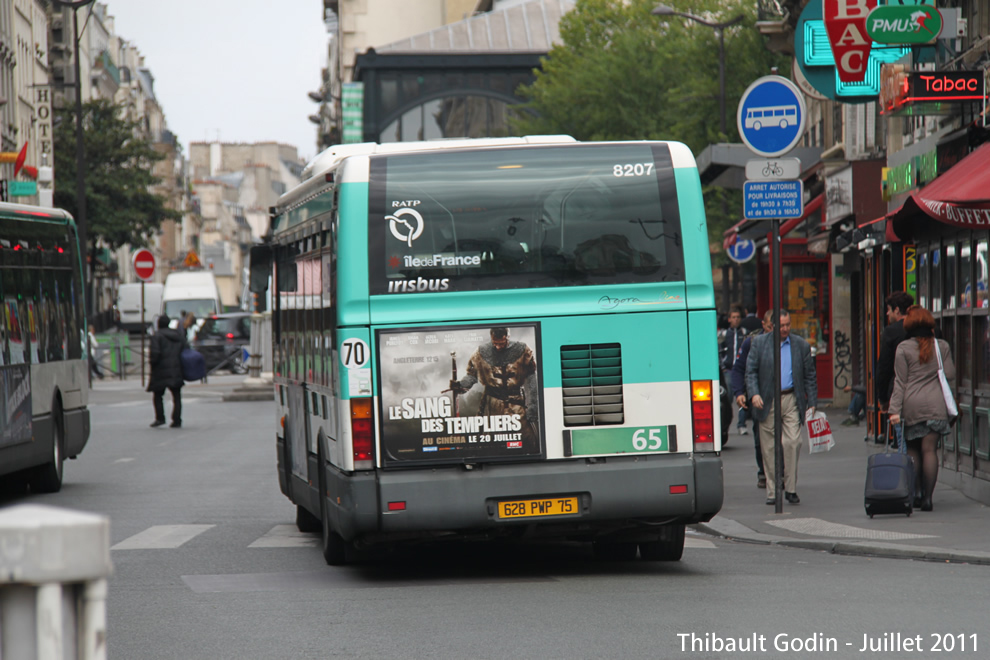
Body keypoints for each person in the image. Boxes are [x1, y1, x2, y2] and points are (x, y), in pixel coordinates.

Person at [745, 309, 817, 505]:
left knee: (793, 442)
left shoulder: (800, 345)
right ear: (773, 325)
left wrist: (812, 403)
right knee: (768, 447)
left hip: (791, 398)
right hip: (767, 400)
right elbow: (750, 371)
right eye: (782, 325)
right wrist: (754, 394)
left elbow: (810, 376)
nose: (785, 329)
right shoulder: (759, 343)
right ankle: (772, 490)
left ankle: (790, 488)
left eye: (788, 325)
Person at [888, 306, 955, 512]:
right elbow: (950, 374)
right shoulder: (941, 346)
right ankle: (928, 497)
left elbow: (900, 382)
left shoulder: (903, 348)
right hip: (936, 405)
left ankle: (916, 493)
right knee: (930, 450)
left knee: (914, 450)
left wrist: (894, 410)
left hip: (911, 405)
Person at [450, 327, 539, 445]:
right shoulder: (481, 353)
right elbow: (472, 376)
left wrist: (532, 405)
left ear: (508, 336)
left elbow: (531, 378)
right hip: (492, 405)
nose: (497, 347)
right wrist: (461, 385)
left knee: (527, 441)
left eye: (501, 343)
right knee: (492, 442)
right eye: (495, 343)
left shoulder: (523, 351)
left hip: (516, 403)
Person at [732, 310, 773, 488]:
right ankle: (763, 472)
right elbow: (739, 369)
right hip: (759, 397)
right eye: (771, 327)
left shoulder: (788, 341)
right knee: (760, 438)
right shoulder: (752, 342)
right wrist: (739, 392)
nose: (775, 331)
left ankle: (780, 472)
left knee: (784, 439)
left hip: (782, 396)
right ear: (763, 325)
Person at [875, 291, 914, 444]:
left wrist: (883, 398)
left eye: (889, 309)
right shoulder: (932, 331)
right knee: (927, 447)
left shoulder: (891, 332)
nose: (887, 313)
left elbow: (884, 367)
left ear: (897, 310)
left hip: (900, 393)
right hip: (930, 395)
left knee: (903, 443)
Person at [147, 314, 187, 428]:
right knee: (177, 396)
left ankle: (160, 418)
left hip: (160, 370)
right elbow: (185, 349)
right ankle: (177, 420)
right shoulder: (178, 335)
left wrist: (152, 365)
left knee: (158, 395)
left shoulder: (157, 336)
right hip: (176, 369)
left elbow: (155, 353)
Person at [721, 304, 749, 435]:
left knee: (741, 396)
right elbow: (718, 351)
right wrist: (722, 366)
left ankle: (741, 424)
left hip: (741, 370)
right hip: (728, 370)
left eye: (738, 317)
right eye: (733, 317)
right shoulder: (724, 333)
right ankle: (725, 423)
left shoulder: (745, 333)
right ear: (729, 319)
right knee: (728, 399)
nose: (736, 319)